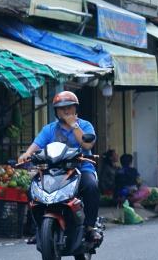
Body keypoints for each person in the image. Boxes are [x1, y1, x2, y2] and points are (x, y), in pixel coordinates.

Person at [18, 91, 101, 241]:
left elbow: (87, 143)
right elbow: (35, 146)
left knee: (91, 187)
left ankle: (90, 227)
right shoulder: (49, 129)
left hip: (80, 170)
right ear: (56, 111)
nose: (66, 110)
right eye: (61, 108)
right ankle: (39, 228)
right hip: (54, 172)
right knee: (32, 188)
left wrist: (73, 125)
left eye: (69, 107)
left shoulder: (85, 125)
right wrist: (26, 155)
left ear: (76, 108)